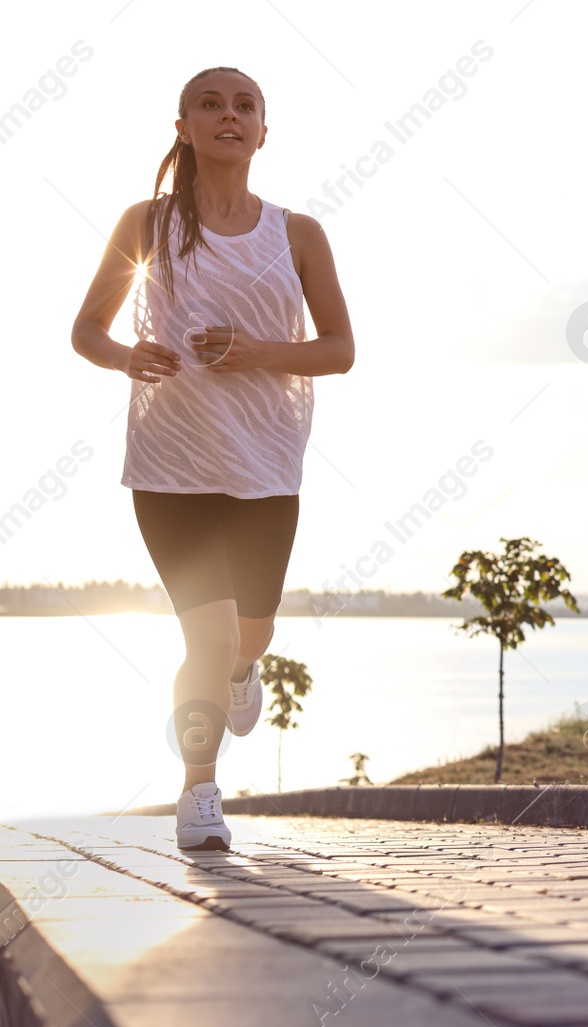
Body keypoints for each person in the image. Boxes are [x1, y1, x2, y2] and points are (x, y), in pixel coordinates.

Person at [70, 67, 354, 850]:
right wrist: (130, 357)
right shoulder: (145, 223)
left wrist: (253, 351)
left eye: (244, 106)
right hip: (169, 468)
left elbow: (340, 349)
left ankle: (238, 677)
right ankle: (199, 791)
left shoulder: (298, 234)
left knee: (247, 638)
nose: (228, 115)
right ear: (183, 127)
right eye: (211, 104)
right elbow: (86, 330)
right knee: (209, 636)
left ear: (263, 133)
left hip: (266, 467)